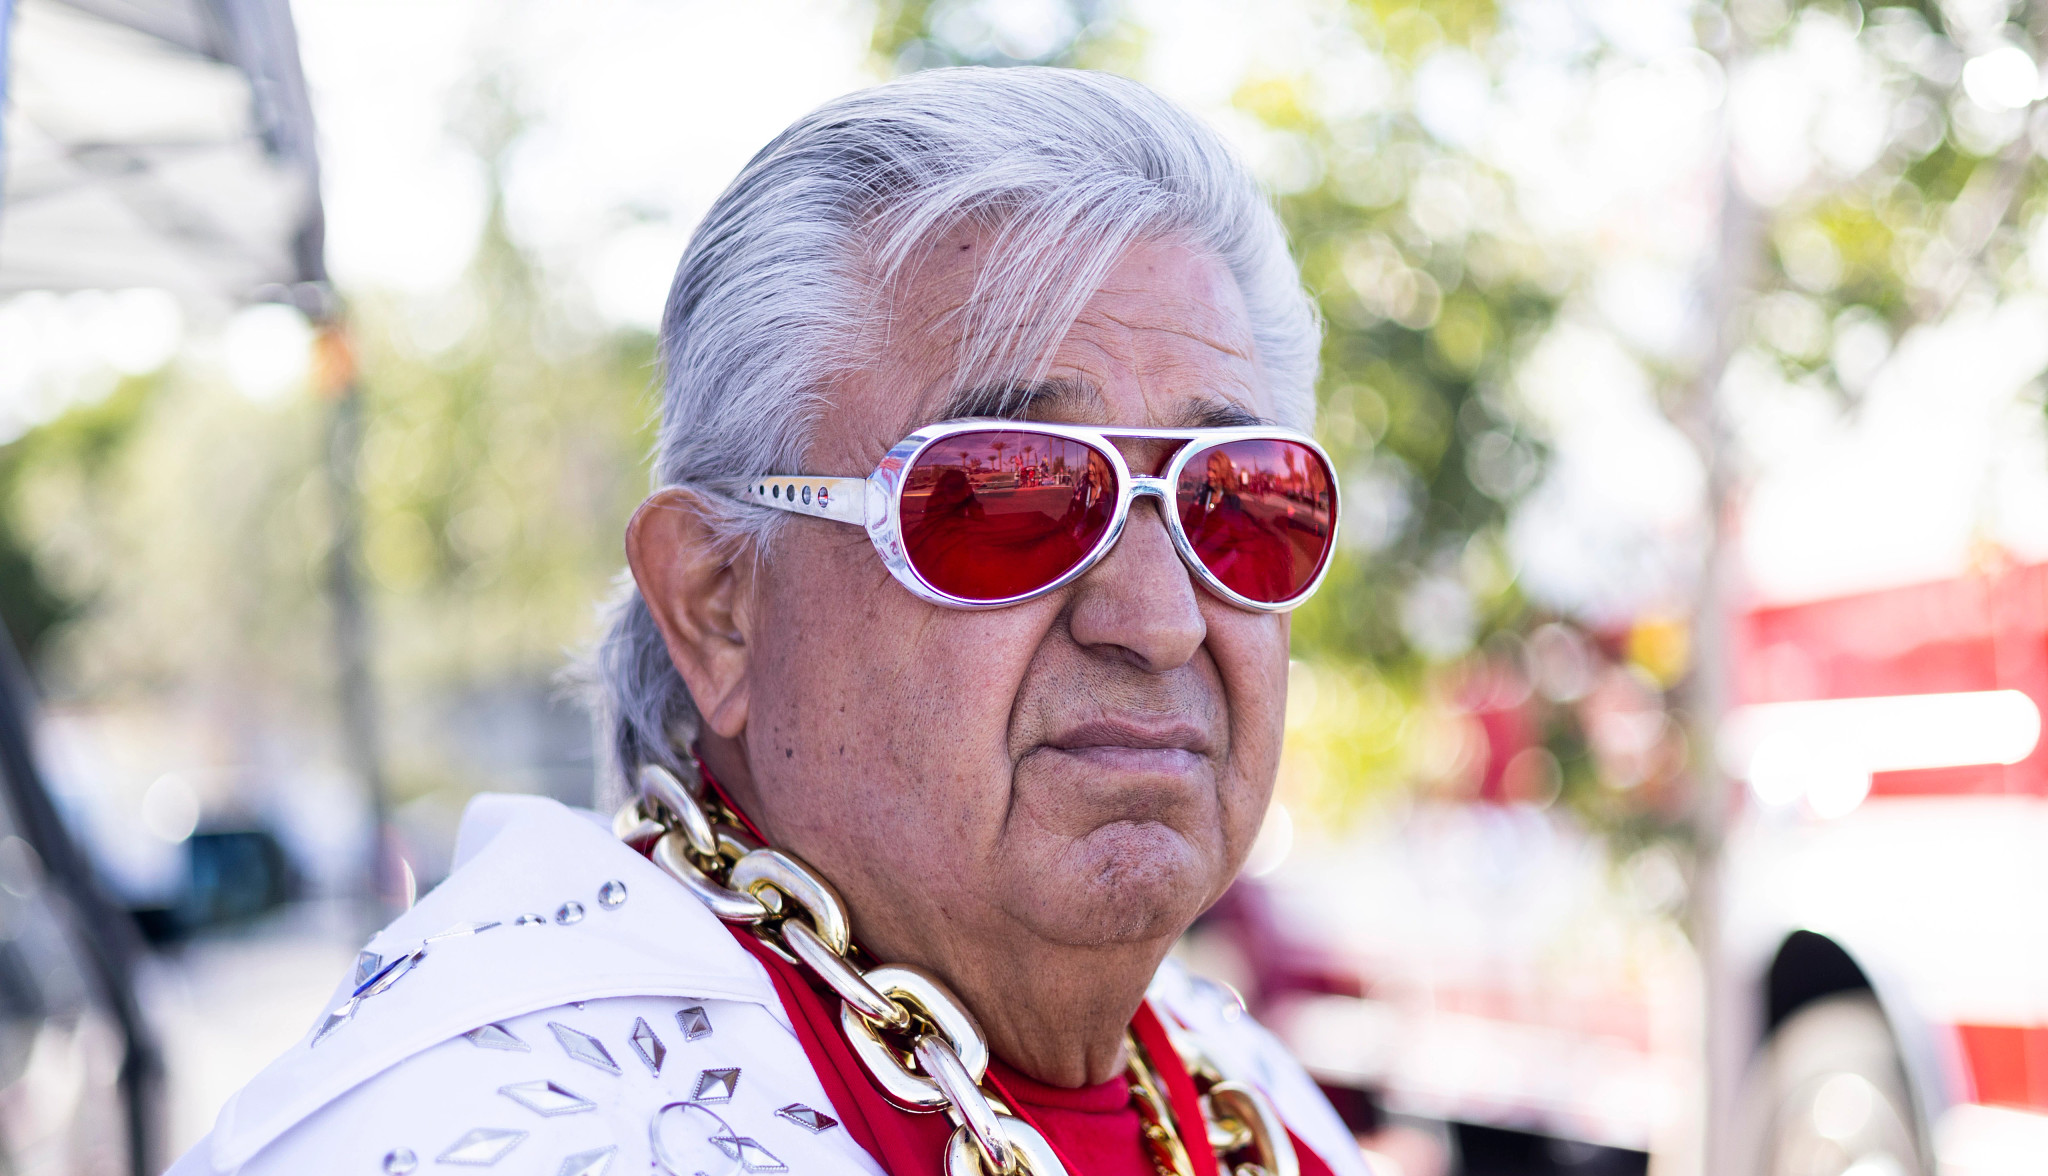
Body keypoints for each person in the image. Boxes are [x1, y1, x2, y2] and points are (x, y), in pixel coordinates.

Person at [171, 66, 1357, 1176]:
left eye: (1237, 499)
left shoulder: (1245, 1096)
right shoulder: (485, 1130)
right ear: (717, 604)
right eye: (1007, 495)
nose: (1158, 620)